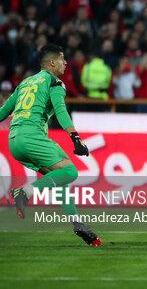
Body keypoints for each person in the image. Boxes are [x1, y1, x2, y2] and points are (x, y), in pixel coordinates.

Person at [0, 44, 101, 246]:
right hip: (32, 136)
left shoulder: (25, 82)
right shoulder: (54, 82)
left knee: (60, 178)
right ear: (52, 62)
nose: (66, 63)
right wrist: (75, 138)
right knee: (70, 171)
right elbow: (61, 111)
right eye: (63, 59)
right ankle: (25, 192)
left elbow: (3, 112)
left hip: (14, 141)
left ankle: (78, 224)